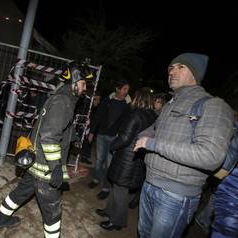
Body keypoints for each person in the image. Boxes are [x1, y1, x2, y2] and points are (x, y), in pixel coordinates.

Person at [134, 52, 234, 238]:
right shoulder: (171, 103)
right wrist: (143, 135)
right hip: (149, 184)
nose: (172, 71)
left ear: (195, 74)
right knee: (143, 234)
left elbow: (210, 155)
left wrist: (152, 143)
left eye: (181, 67)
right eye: (171, 67)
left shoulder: (213, 105)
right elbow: (153, 129)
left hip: (176, 195)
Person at [0, 61, 94, 237]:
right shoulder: (64, 102)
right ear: (75, 81)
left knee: (20, 194)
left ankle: (0, 220)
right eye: (84, 84)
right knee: (53, 213)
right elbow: (48, 136)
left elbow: (49, 128)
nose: (85, 89)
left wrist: (73, 137)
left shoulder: (60, 97)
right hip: (46, 168)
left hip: (35, 163)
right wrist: (55, 169)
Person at [96, 87, 157, 231]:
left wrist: (112, 145)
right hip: (136, 158)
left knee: (120, 191)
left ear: (139, 98)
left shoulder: (136, 114)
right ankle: (109, 211)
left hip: (126, 158)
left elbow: (124, 137)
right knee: (117, 187)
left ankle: (117, 221)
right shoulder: (152, 115)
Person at [88, 80, 130, 200]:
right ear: (117, 89)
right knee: (99, 159)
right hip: (101, 135)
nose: (126, 92)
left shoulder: (128, 106)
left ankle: (105, 188)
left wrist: (120, 136)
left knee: (109, 164)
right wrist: (92, 132)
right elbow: (98, 116)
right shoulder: (108, 100)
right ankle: (96, 179)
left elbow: (126, 124)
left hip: (114, 139)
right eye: (125, 89)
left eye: (127, 90)